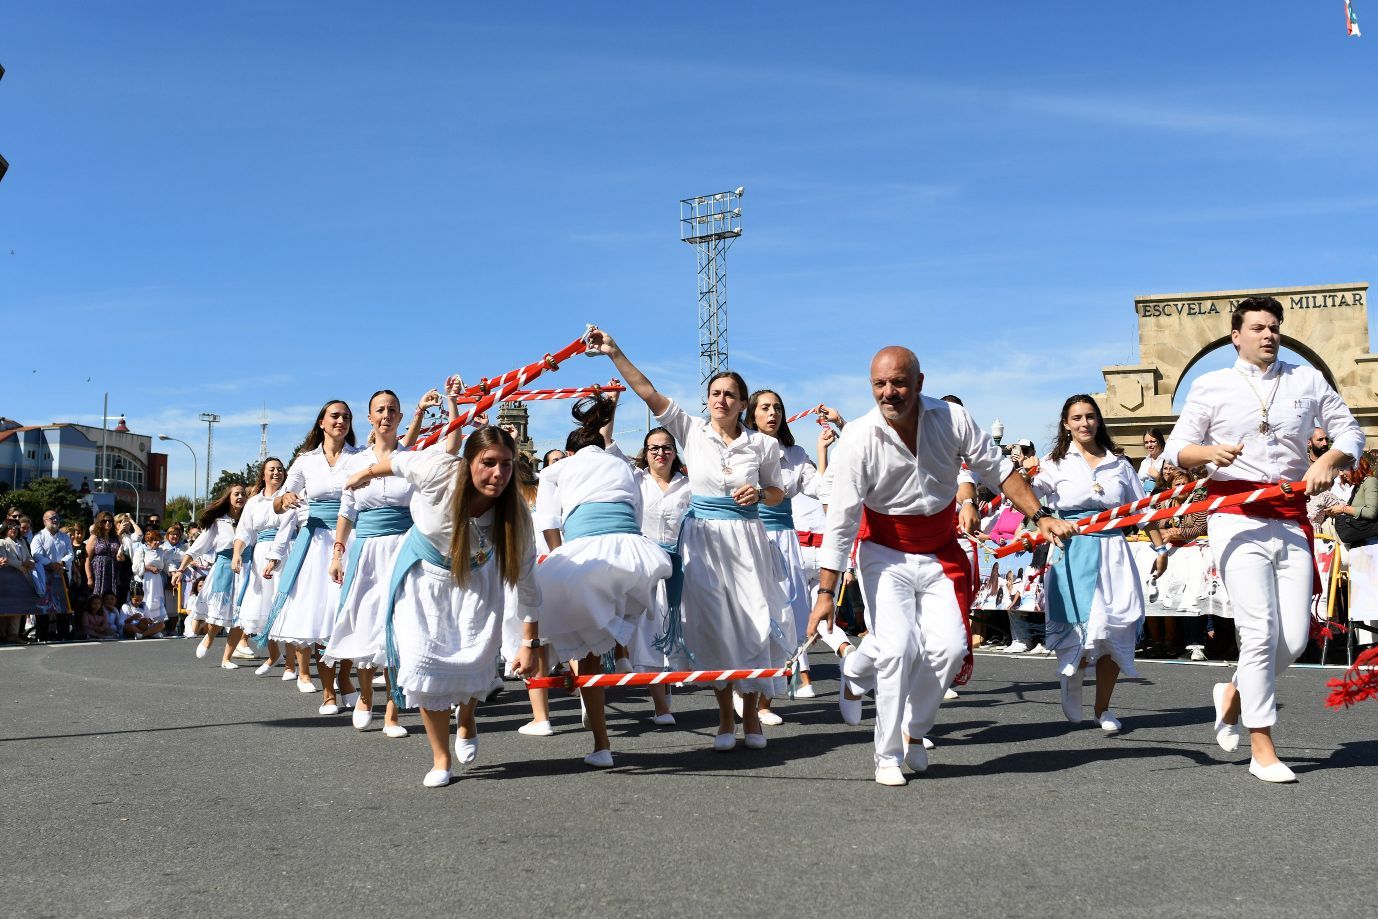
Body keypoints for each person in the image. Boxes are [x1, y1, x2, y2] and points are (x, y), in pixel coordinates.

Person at [806, 346, 1077, 786]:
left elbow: (998, 469)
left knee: (950, 648)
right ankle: (888, 753)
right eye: (879, 384)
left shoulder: (953, 420)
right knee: (897, 648)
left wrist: (1039, 514)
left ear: (920, 382)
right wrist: (825, 594)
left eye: (898, 383)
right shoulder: (856, 436)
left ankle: (906, 719)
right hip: (883, 552)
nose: (888, 393)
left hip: (938, 551)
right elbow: (840, 521)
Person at [1164, 296, 1363, 783]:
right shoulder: (1212, 385)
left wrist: (1326, 461)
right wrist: (1210, 452)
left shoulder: (1306, 379)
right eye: (1257, 327)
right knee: (1258, 633)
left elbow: (1351, 433)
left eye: (1274, 327)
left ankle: (1232, 691)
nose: (1268, 334)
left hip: (1291, 516)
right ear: (1236, 335)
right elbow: (1177, 449)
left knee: (1293, 638)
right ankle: (1262, 746)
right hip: (1236, 516)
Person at [591, 327, 789, 752]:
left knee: (753, 621)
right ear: (708, 400)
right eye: (715, 393)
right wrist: (614, 352)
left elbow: (778, 491)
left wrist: (760, 493)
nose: (721, 400)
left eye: (730, 394)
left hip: (748, 538)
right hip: (703, 540)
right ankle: (723, 716)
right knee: (713, 625)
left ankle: (750, 710)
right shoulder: (691, 430)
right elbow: (647, 392)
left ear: (742, 403)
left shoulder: (762, 446)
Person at [345, 426, 541, 788]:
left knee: (472, 659)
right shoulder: (441, 470)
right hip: (423, 576)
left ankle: (467, 718)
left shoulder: (516, 514)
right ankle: (441, 756)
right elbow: (398, 462)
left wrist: (529, 642)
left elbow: (528, 581)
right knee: (422, 661)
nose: (498, 474)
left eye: (507, 465)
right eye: (488, 463)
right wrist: (363, 473)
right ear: (469, 462)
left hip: (477, 584)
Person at [534, 395, 672, 767]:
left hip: (588, 549)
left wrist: (561, 556)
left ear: (570, 450)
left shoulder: (554, 471)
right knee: (617, 612)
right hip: (634, 550)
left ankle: (602, 744)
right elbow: (638, 516)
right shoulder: (623, 467)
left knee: (576, 641)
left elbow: (547, 523)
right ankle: (623, 652)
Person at [1031, 394, 1159, 733]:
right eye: (1076, 417)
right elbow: (1028, 495)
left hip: (1114, 553)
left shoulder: (1119, 463)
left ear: (1098, 420)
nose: (1084, 422)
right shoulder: (1053, 462)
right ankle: (1071, 679)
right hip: (1072, 551)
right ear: (1066, 424)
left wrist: (1161, 551)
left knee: (1112, 630)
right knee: (1082, 632)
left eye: (1090, 416)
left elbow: (1142, 510)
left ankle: (1103, 708)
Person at [325, 391, 416, 735]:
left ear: (401, 416)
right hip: (365, 551)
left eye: (392, 410)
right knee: (363, 621)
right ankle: (365, 695)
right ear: (370, 417)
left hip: (402, 547)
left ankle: (393, 710)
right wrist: (337, 553)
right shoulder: (353, 461)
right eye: (380, 410)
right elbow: (347, 511)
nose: (386, 415)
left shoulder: (411, 457)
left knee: (397, 624)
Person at [263, 400, 363, 712]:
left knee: (346, 613)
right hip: (316, 542)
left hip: (350, 537)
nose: (341, 421)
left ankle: (346, 678)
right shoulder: (305, 461)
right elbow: (278, 503)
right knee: (320, 616)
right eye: (335, 416)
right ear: (321, 422)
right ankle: (328, 691)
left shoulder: (360, 456)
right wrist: (286, 497)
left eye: (346, 417)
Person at [743, 389, 830, 716]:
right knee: (750, 617)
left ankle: (764, 703)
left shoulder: (795, 454)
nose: (772, 413)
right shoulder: (742, 450)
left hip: (785, 543)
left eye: (777, 407)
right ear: (752, 414)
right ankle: (743, 689)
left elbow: (821, 486)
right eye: (765, 407)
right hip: (749, 538)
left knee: (786, 620)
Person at [233, 458, 294, 676]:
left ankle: (291, 664)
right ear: (263, 474)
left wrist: (275, 556)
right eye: (272, 469)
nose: (276, 473)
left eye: (280, 469)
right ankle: (274, 654)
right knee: (263, 605)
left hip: (285, 550)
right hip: (260, 554)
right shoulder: (254, 502)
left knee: (285, 604)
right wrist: (237, 553)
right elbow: (244, 532)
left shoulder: (289, 496)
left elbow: (289, 528)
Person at [177, 485, 249, 668]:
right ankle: (209, 637)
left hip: (247, 569)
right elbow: (197, 547)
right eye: (236, 494)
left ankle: (227, 659)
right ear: (229, 498)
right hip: (224, 568)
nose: (240, 496)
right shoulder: (219, 522)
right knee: (219, 612)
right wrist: (180, 569)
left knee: (241, 617)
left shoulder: (250, 519)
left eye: (243, 494)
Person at [30, 510, 74, 642]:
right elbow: (36, 554)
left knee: (62, 605)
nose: (55, 520)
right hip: (45, 576)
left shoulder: (64, 537)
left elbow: (70, 553)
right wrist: (51, 564)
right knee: (44, 606)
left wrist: (61, 563)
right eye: (52, 518)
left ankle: (63, 635)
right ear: (45, 521)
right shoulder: (39, 536)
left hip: (61, 575)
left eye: (57, 518)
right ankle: (42, 635)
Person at [1326, 450, 1378, 549]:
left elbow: (1371, 512)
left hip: (1370, 543)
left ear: (1355, 467)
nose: (1341, 474)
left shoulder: (1370, 481)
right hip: (1360, 541)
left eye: (1342, 469)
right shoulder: (1357, 486)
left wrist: (1343, 509)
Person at [1, 517, 40, 641]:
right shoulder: (2, 542)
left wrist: (31, 562)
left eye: (17, 527)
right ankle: (2, 634)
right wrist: (23, 564)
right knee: (5, 607)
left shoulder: (22, 542)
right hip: (7, 581)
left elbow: (29, 557)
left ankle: (13, 634)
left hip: (21, 580)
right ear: (6, 528)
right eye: (11, 526)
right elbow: (5, 560)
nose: (14, 529)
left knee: (18, 607)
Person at [86, 512, 120, 605]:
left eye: (110, 521)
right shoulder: (95, 537)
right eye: (104, 521)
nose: (108, 523)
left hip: (112, 570)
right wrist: (89, 577)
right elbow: (87, 559)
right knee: (98, 597)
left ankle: (110, 617)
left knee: (111, 597)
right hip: (98, 571)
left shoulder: (116, 538)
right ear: (100, 522)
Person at [1139, 428, 1167, 493]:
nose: (1149, 445)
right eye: (1146, 442)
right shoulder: (1144, 462)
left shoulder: (1167, 460)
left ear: (1160, 441)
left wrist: (1158, 477)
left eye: (1152, 441)